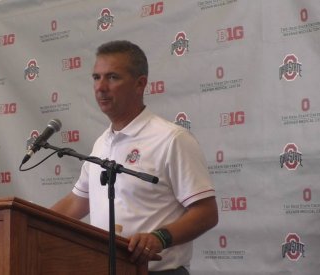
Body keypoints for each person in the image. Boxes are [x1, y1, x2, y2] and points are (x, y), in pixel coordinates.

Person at [51, 40, 218, 275]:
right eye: (96, 77)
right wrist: (26, 225)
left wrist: (160, 238)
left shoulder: (171, 139)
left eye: (112, 77)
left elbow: (207, 213)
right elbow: (77, 202)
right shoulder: (102, 143)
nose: (100, 87)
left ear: (140, 84)